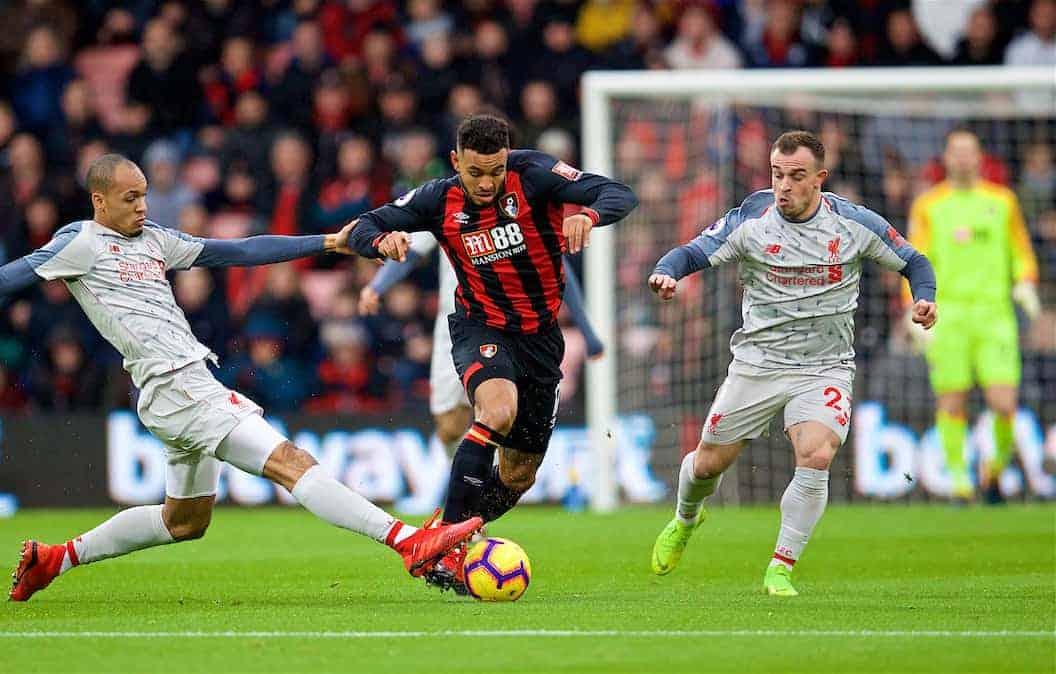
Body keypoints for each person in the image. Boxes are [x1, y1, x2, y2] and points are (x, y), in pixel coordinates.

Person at [0, 154, 482, 602]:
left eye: (144, 195)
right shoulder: (78, 244)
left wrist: (326, 242)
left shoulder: (155, 238)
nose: (143, 206)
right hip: (178, 386)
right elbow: (1, 280)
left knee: (185, 522)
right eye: (131, 198)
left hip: (177, 388)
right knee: (291, 461)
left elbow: (234, 251)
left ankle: (55, 560)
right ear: (100, 201)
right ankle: (407, 541)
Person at [348, 114, 637, 592]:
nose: (487, 183)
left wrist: (587, 215)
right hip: (480, 325)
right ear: (456, 161)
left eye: (496, 171)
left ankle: (449, 528)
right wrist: (381, 239)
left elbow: (618, 194)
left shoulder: (537, 175)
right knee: (497, 410)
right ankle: (443, 547)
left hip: (541, 339)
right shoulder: (437, 198)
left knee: (519, 474)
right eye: (475, 172)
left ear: (508, 158)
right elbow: (365, 224)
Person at [646, 131, 937, 597]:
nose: (783, 185)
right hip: (757, 363)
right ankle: (685, 518)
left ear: (819, 179)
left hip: (824, 366)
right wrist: (666, 272)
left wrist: (924, 299)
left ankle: (780, 567)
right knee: (706, 466)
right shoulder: (751, 218)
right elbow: (690, 252)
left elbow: (914, 262)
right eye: (777, 175)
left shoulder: (853, 223)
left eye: (796, 176)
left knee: (817, 454)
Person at [359, 234, 604, 464]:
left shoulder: (524, 203)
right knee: (450, 427)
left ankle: (483, 493)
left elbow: (557, 266)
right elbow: (410, 251)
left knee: (499, 414)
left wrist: (587, 331)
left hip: (511, 328)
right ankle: (473, 485)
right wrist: (377, 287)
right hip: (456, 327)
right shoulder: (441, 198)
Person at [907, 130, 1040, 503]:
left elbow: (1023, 252)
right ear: (946, 158)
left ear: (980, 158)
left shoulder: (1003, 201)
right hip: (947, 316)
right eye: (956, 153)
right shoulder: (929, 205)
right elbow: (915, 260)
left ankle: (993, 473)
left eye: (970, 152)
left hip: (994, 315)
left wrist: (1026, 282)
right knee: (951, 401)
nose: (963, 159)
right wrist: (912, 308)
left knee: (1004, 403)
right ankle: (961, 485)